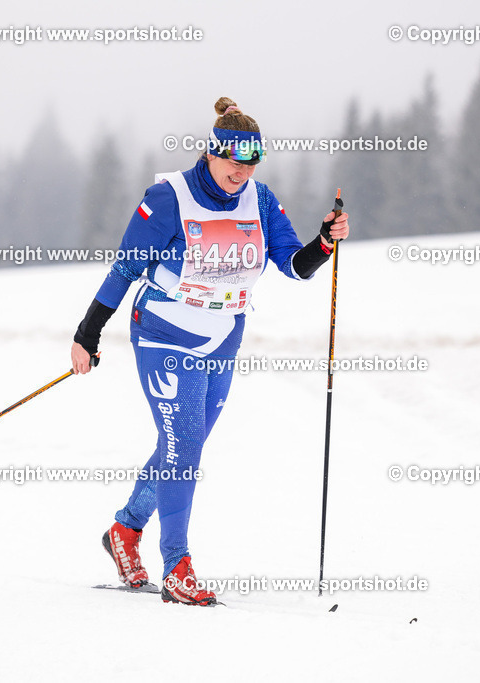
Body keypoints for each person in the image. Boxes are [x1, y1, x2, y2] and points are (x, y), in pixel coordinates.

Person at [70, 97, 350, 606]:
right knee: (184, 447)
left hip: (223, 335)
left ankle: (124, 532)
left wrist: (324, 244)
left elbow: (293, 264)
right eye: (232, 163)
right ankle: (177, 564)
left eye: (251, 164)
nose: (239, 174)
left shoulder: (260, 201)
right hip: (164, 330)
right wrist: (88, 334)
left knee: (186, 447)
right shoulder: (168, 196)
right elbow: (125, 267)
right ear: (211, 152)